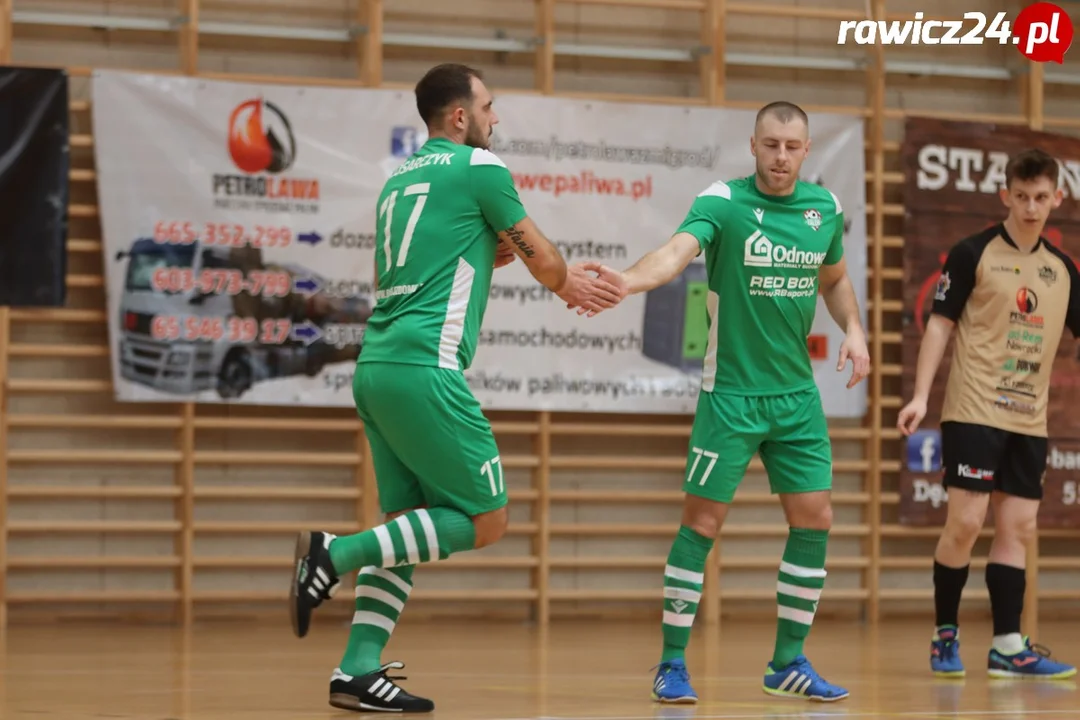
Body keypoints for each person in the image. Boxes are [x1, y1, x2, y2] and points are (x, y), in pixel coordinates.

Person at [287, 62, 623, 713]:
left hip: (377, 368)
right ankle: (336, 552)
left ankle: (357, 669)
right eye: (490, 107)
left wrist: (491, 249)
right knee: (487, 518)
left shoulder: (398, 183)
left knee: (410, 526)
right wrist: (567, 283)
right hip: (425, 370)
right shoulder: (480, 169)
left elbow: (448, 253)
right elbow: (543, 257)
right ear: (461, 116)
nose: (497, 120)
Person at [588, 101, 870, 703]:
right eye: (771, 145)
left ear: (807, 149)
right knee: (703, 523)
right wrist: (629, 281)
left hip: (796, 399)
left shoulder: (824, 209)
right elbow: (676, 252)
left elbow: (836, 279)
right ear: (753, 144)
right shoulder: (723, 201)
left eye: (793, 147)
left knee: (815, 518)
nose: (781, 157)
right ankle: (671, 662)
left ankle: (786, 663)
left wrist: (856, 329)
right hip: (731, 398)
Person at [897, 148, 1079, 681]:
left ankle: (1007, 645)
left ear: (1057, 198)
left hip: (1030, 419)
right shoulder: (972, 252)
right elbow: (939, 326)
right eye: (1020, 197)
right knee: (967, 522)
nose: (1030, 207)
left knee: (1017, 528)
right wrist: (920, 396)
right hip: (974, 410)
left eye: (1041, 198)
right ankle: (945, 634)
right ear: (1005, 195)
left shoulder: (1063, 271)